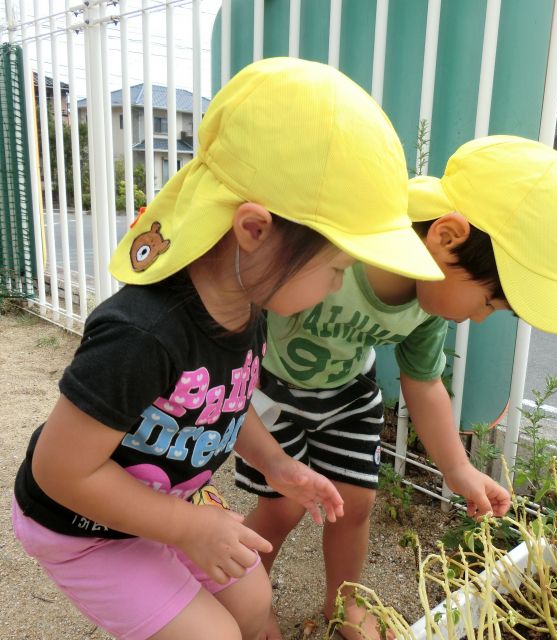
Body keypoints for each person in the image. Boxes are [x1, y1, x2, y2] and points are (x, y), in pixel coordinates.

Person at [11, 57, 444, 640]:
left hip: (167, 506)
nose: (339, 285)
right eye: (336, 267)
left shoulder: (250, 309)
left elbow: (223, 406)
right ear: (255, 230)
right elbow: (60, 470)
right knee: (211, 632)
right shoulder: (141, 334)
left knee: (254, 599)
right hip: (81, 526)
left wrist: (278, 466)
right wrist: (183, 528)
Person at [236, 135, 557, 640]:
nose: (482, 317)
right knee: (282, 507)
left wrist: (459, 468)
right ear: (447, 236)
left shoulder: (429, 300)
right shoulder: (342, 247)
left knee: (355, 504)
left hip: (347, 394)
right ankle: (245, 601)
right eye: (489, 301)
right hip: (269, 391)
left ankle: (345, 604)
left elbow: (423, 382)